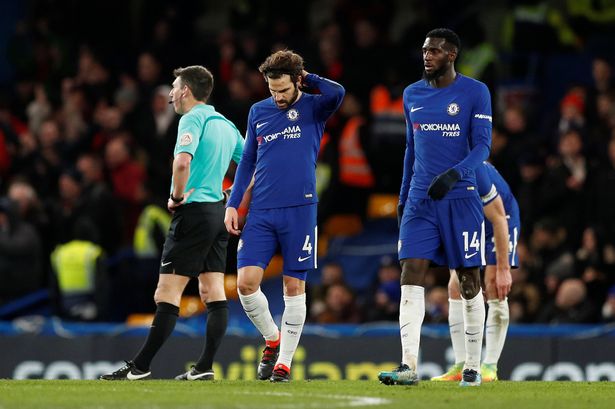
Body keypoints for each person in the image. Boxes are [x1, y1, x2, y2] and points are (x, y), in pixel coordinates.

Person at [100, 65, 244, 380]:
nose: (171, 95)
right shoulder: (226, 124)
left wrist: (176, 197)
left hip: (193, 214)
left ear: (187, 91)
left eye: (175, 88)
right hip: (217, 213)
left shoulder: (191, 119)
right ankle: (204, 367)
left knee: (166, 293)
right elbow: (252, 165)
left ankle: (140, 367)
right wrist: (230, 194)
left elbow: (181, 163)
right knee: (212, 290)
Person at [377, 28, 492, 387]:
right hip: (420, 201)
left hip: (461, 198)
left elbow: (483, 146)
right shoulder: (412, 94)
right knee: (411, 270)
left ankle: (472, 365)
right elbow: (411, 150)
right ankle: (408, 364)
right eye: (425, 50)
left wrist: (456, 174)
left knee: (469, 277)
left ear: (452, 55)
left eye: (436, 51)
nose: (427, 56)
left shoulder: (476, 92)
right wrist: (402, 198)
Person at [225, 50, 344, 382]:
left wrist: (309, 78)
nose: (277, 97)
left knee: (294, 286)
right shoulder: (258, 111)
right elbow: (248, 161)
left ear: (298, 81)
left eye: (283, 90)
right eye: (272, 89)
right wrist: (234, 203)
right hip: (261, 211)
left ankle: (284, 364)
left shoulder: (314, 107)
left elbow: (338, 92)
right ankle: (272, 339)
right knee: (245, 284)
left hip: (300, 211)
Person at [431, 161, 518, 383]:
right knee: (455, 285)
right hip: (473, 220)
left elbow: (499, 218)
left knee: (494, 283)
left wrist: (504, 269)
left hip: (501, 219)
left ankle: (490, 365)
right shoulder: (437, 173)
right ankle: (461, 364)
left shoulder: (473, 169)